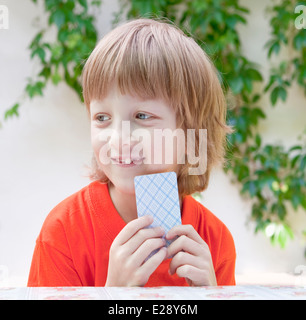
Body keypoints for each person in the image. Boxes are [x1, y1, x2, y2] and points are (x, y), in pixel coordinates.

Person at [28, 18, 236, 287]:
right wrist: (111, 294)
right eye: (102, 118)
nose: (118, 138)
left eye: (142, 116)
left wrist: (211, 296)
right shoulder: (63, 233)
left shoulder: (214, 241)